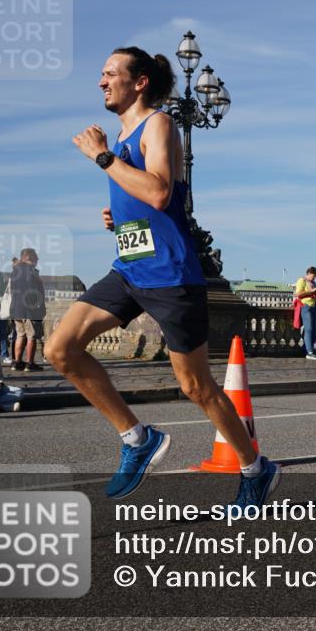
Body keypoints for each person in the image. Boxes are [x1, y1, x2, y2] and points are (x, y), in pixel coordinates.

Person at [48, 46, 278, 506]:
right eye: (101, 72)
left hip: (171, 275)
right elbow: (148, 199)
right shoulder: (122, 135)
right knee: (60, 348)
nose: (100, 81)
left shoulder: (159, 124)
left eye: (110, 72)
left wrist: (101, 158)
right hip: (130, 269)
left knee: (197, 387)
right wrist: (119, 216)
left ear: (140, 82)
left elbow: (158, 191)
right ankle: (137, 439)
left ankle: (255, 468)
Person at [9, 248, 46, 372]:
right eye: (36, 257)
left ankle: (16, 362)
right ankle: (30, 363)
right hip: (28, 310)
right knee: (32, 336)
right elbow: (32, 290)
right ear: (29, 258)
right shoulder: (30, 270)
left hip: (16, 309)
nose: (38, 260)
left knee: (20, 335)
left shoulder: (15, 271)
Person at [294, 267, 316, 360]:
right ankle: (309, 352)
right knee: (309, 329)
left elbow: (313, 295)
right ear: (309, 273)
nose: (314, 279)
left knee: (315, 330)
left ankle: (313, 351)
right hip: (306, 306)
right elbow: (298, 294)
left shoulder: (314, 283)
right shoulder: (301, 280)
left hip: (314, 306)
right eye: (313, 276)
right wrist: (310, 292)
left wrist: (315, 293)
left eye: (315, 277)